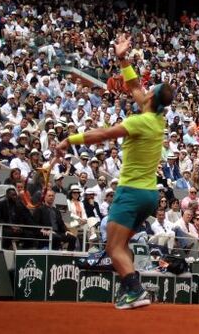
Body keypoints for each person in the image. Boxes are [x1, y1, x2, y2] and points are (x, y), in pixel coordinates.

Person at [54, 34, 173, 310]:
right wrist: (122, 59)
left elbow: (103, 133)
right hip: (149, 197)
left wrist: (68, 141)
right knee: (122, 245)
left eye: (149, 87)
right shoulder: (157, 116)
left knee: (113, 248)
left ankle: (134, 289)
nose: (145, 86)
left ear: (151, 97)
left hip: (130, 193)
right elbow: (133, 85)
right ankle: (127, 286)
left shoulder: (140, 121)